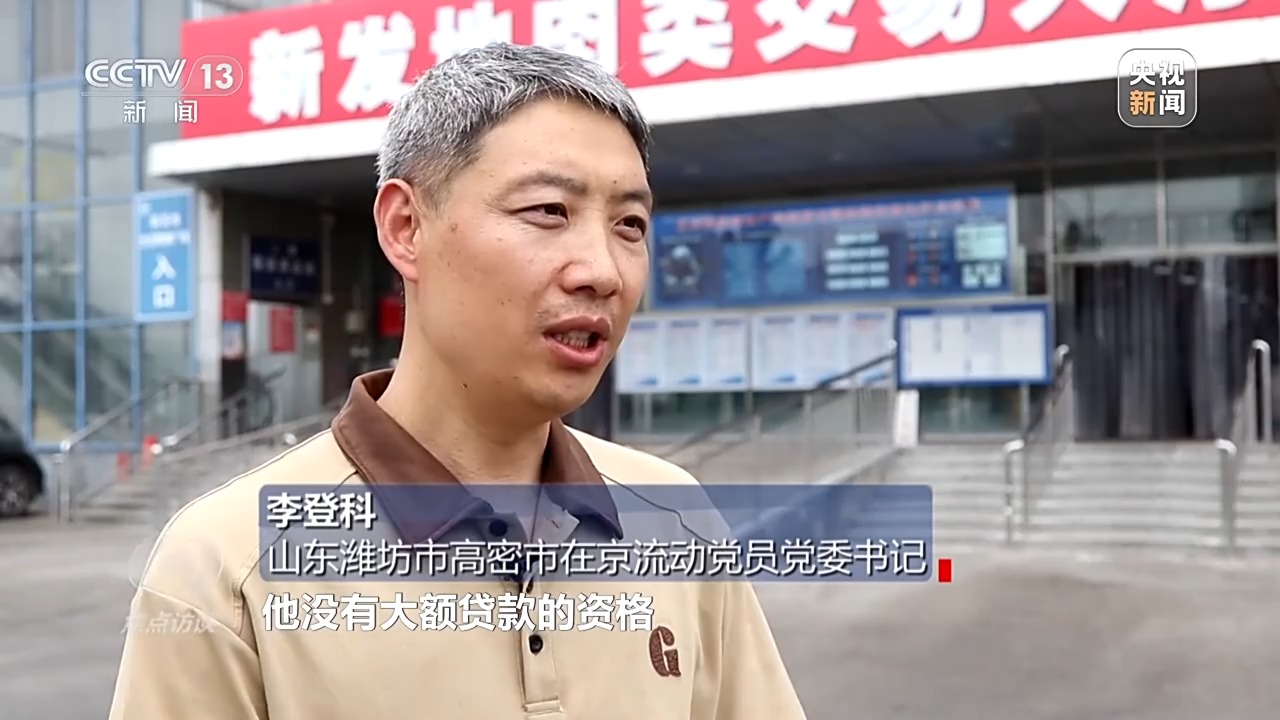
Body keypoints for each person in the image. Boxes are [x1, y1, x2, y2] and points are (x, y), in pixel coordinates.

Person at [109, 43, 805, 719]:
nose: (603, 270)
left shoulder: (677, 518)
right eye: (548, 211)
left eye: (630, 224)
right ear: (406, 227)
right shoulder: (226, 565)